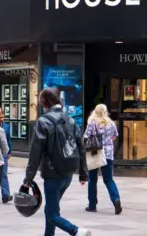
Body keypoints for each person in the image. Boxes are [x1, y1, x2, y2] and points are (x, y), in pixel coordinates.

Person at [24, 88, 91, 236]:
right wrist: (83, 174)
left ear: (44, 102)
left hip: (52, 173)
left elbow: (35, 154)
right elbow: (81, 148)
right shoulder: (71, 120)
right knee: (50, 210)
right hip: (68, 174)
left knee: (53, 214)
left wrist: (28, 179)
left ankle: (76, 231)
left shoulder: (43, 121)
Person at [84, 104, 122, 214]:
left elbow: (86, 136)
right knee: (109, 179)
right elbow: (115, 135)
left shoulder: (92, 122)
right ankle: (116, 199)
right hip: (108, 154)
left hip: (95, 153)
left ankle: (92, 205)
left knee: (92, 180)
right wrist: (107, 141)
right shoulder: (110, 123)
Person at [0, 115, 12, 203]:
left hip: (4, 153)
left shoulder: (6, 126)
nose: (2, 119)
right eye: (0, 117)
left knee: (4, 174)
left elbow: (8, 140)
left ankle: (6, 195)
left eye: (3, 117)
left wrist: (9, 151)